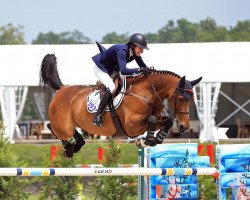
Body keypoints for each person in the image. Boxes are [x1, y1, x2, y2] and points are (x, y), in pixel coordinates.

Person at [91, 33, 152, 127]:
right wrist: (140, 70)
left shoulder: (134, 52)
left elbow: (142, 66)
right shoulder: (122, 51)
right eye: (141, 48)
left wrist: (150, 71)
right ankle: (97, 116)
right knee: (111, 88)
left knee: (127, 83)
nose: (142, 51)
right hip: (101, 68)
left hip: (113, 69)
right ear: (133, 45)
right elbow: (123, 71)